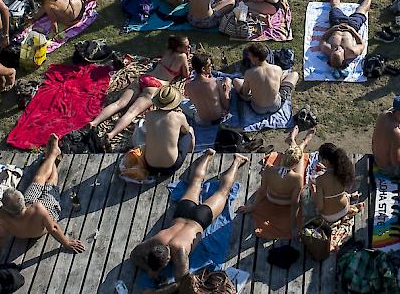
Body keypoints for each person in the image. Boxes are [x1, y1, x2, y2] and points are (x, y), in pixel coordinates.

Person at [130, 149, 248, 289]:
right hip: (183, 211)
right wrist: (151, 269)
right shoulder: (158, 240)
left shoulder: (179, 251)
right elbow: (134, 254)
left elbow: (182, 281)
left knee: (223, 192)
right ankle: (208, 155)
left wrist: (154, 274)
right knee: (195, 183)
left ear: (169, 258)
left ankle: (237, 161)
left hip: (200, 219)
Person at [0, 134, 85, 263]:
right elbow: (53, 228)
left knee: (37, 180)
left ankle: (52, 154)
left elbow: (1, 236)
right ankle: (53, 154)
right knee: (50, 183)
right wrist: (67, 243)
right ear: (21, 199)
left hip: (26, 213)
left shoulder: (2, 216)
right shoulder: (38, 208)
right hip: (40, 224)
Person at [89, 35, 191, 147]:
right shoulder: (182, 57)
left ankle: (94, 122)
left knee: (119, 104)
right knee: (132, 112)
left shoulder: (168, 50)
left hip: (144, 78)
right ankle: (111, 134)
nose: (188, 47)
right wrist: (187, 56)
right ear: (179, 48)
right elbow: (186, 74)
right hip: (155, 86)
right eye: (186, 46)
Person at [237, 126, 314, 236]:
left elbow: (262, 191)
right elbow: (295, 202)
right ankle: (303, 142)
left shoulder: (268, 168)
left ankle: (293, 140)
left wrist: (251, 207)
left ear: (282, 157)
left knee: (294, 153)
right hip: (286, 201)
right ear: (294, 165)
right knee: (299, 156)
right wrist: (292, 225)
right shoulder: (297, 178)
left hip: (271, 197)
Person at [132, 86, 195, 176]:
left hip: (150, 166)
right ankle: (190, 154)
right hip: (172, 166)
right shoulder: (179, 116)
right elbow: (186, 130)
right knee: (190, 131)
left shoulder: (149, 115)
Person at [319, 0, 376, 68]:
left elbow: (322, 40)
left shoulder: (327, 50)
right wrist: (351, 30)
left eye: (335, 50)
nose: (337, 48)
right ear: (344, 57)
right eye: (339, 51)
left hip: (337, 23)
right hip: (352, 26)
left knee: (334, 6)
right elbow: (361, 44)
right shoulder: (352, 52)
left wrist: (333, 28)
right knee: (362, 10)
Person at [233, 43, 299, 115]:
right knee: (294, 74)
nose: (248, 57)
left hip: (257, 108)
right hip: (275, 106)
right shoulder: (277, 69)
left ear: (256, 58)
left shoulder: (249, 73)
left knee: (236, 80)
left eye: (250, 55)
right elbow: (279, 86)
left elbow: (245, 93)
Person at [310, 142, 362, 223]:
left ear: (325, 160)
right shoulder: (344, 171)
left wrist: (313, 193)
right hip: (344, 209)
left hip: (328, 216)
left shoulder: (320, 180)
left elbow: (319, 206)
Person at [29, 0, 101, 40]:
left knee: (53, 14)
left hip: (75, 19)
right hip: (81, 5)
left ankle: (35, 16)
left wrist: (55, 34)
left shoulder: (48, 5)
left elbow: (54, 22)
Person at [184, 53, 231, 125]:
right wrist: (226, 91)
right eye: (209, 65)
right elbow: (226, 106)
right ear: (203, 69)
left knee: (182, 102)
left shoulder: (188, 86)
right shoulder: (215, 82)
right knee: (228, 81)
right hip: (220, 117)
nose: (211, 66)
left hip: (202, 121)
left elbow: (191, 100)